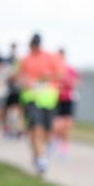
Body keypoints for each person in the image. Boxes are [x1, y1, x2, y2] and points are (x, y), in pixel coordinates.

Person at [16, 34, 64, 176]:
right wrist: (24, 81)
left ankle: (39, 153)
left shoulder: (50, 57)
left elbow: (60, 74)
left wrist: (46, 76)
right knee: (35, 129)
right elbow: (19, 76)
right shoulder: (25, 59)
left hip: (48, 100)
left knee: (46, 131)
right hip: (31, 99)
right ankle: (41, 160)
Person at [52, 48, 79, 159]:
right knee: (57, 125)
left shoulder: (70, 69)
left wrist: (67, 82)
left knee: (67, 125)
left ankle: (63, 149)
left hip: (68, 99)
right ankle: (53, 142)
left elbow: (76, 83)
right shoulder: (53, 70)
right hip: (56, 99)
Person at [1, 42, 23, 138]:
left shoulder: (19, 61)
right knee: (6, 111)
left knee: (17, 111)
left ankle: (17, 129)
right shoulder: (7, 61)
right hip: (8, 90)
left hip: (17, 90)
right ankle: (8, 129)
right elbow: (4, 75)